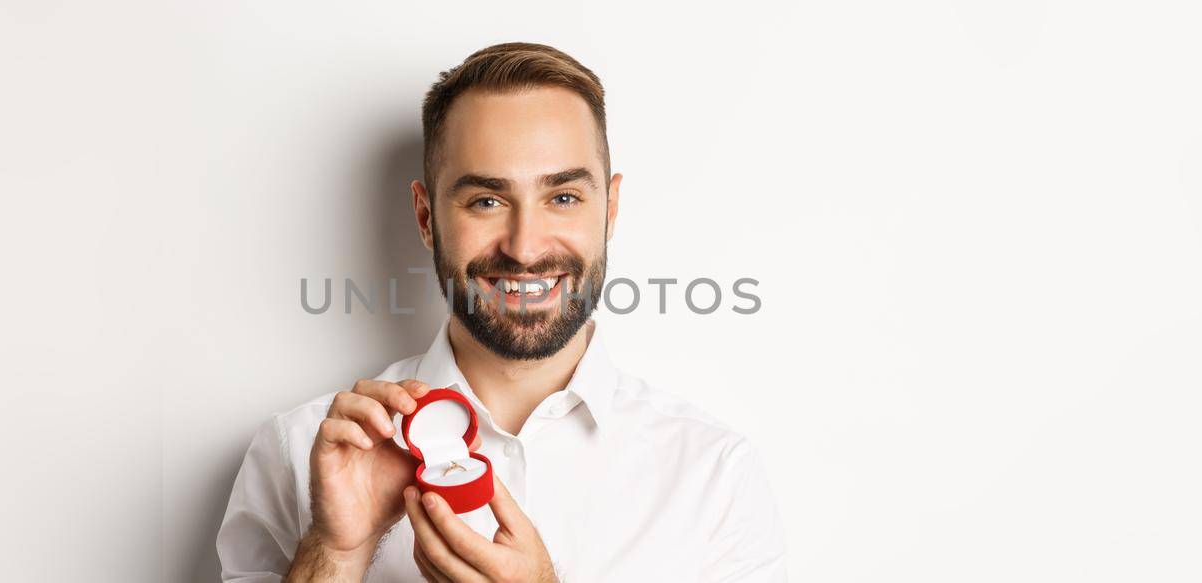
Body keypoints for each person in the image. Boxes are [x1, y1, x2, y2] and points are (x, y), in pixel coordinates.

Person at [216, 42, 787, 582]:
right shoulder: (297, 453)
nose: (525, 246)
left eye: (562, 197)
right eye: (486, 201)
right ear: (425, 217)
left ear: (609, 209)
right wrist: (337, 555)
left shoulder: (714, 476)